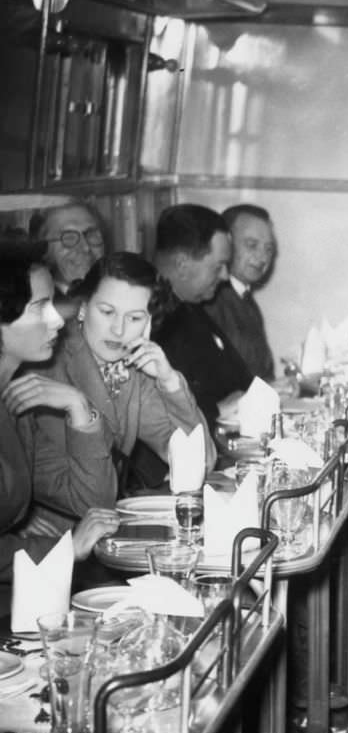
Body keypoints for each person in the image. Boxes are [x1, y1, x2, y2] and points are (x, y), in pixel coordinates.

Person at [26, 252, 215, 508]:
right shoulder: (48, 366)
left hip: (104, 523)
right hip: (54, 535)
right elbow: (82, 493)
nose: (118, 329)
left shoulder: (131, 371)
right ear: (82, 308)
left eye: (135, 318)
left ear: (149, 323)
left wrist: (169, 381)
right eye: (107, 312)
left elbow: (198, 462)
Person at [0, 242, 118, 625]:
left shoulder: (16, 401)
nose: (55, 320)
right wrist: (64, 548)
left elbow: (92, 502)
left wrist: (78, 407)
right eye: (38, 307)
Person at [152, 203, 254, 428]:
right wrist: (215, 410)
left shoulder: (191, 306)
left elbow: (238, 379)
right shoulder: (149, 320)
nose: (226, 276)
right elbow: (157, 418)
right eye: (218, 267)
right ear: (182, 264)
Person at [204, 204, 277, 382]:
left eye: (268, 249)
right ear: (225, 243)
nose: (262, 258)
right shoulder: (210, 300)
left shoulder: (245, 298)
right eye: (252, 245)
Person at [28, 200, 106, 321]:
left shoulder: (126, 294)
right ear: (43, 249)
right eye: (69, 238)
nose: (85, 247)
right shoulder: (32, 311)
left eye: (91, 234)